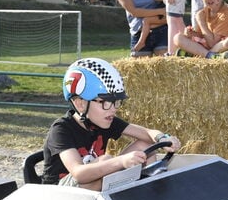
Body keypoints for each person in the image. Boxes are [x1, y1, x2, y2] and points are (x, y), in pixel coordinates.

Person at [42, 58, 181, 191]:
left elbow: (146, 133)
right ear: (80, 104)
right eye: (105, 102)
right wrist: (120, 162)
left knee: (145, 146)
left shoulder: (104, 119)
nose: (113, 108)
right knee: (106, 159)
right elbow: (79, 173)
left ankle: (150, 192)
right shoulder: (61, 129)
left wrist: (163, 138)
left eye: (116, 102)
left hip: (92, 186)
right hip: (57, 194)